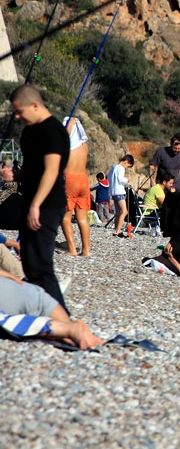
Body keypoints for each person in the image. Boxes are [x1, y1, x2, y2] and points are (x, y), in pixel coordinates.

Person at [10, 85, 71, 312]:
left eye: (20, 111)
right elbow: (33, 169)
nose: (17, 117)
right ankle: (41, 313)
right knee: (29, 264)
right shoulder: (30, 131)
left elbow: (51, 171)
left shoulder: (53, 131)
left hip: (47, 205)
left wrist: (36, 205)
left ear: (34, 105)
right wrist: (15, 175)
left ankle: (62, 319)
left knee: (40, 266)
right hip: (30, 202)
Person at [0, 277, 105, 349]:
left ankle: (69, 329)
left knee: (7, 322)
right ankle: (72, 331)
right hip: (27, 292)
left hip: (14, 295)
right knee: (76, 341)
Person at [60, 114, 92, 257]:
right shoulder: (84, 146)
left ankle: (72, 249)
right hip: (84, 180)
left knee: (65, 217)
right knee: (82, 218)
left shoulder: (67, 145)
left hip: (70, 179)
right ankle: (86, 250)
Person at [109, 154, 134, 238]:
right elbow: (120, 180)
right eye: (128, 166)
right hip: (119, 192)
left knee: (118, 212)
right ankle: (117, 231)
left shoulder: (113, 167)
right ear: (126, 162)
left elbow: (109, 178)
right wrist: (127, 180)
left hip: (113, 192)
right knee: (124, 211)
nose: (127, 168)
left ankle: (116, 230)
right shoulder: (121, 168)